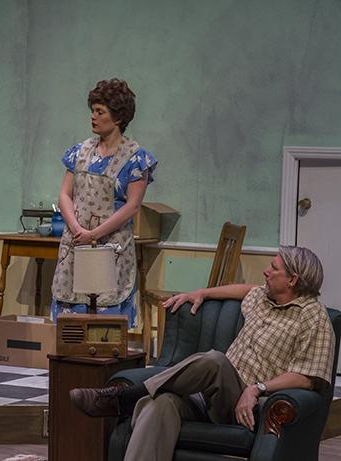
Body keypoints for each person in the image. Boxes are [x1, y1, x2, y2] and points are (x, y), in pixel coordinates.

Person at [69, 246, 335, 461]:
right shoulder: (264, 299)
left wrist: (256, 388)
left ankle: (123, 398)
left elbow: (307, 378)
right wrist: (200, 293)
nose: (266, 272)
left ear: (293, 279)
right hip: (210, 396)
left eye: (274, 268)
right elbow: (245, 289)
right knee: (159, 404)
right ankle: (131, 399)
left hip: (249, 404)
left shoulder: (312, 316)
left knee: (215, 360)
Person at [50, 78, 157, 327]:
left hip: (111, 246)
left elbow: (132, 206)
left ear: (118, 118)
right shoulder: (80, 152)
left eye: (100, 112)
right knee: (73, 316)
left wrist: (94, 234)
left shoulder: (135, 158)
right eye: (93, 111)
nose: (93, 117)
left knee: (106, 320)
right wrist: (77, 229)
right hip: (77, 241)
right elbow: (65, 194)